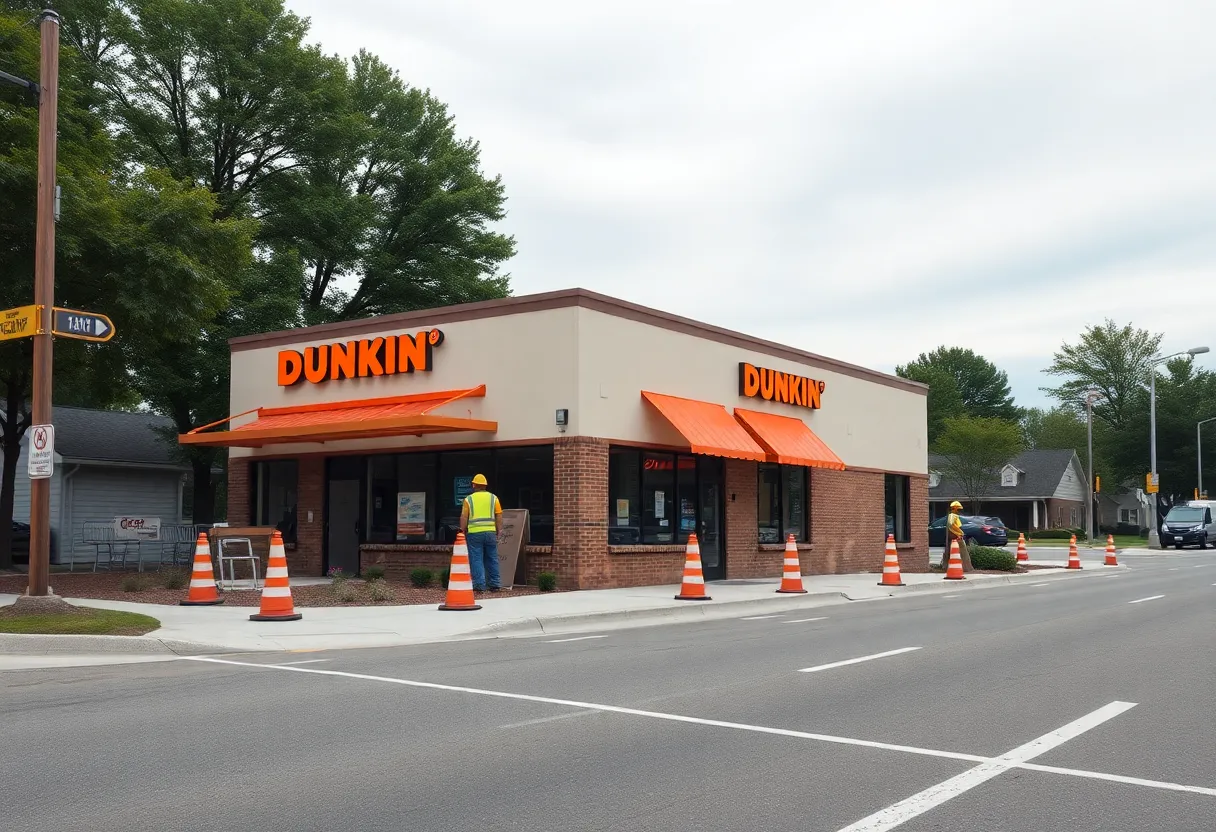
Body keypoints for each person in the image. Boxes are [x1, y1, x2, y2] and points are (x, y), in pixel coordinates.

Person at [460, 473, 503, 591]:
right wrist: (499, 530)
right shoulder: (494, 498)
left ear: (474, 485)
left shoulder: (468, 499)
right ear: (485, 485)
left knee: (476, 559)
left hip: (474, 534)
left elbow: (464, 517)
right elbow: (499, 515)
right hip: (490, 533)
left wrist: (462, 531)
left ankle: (479, 585)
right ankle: (494, 584)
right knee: (492, 558)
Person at [945, 500, 966, 568]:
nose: (959, 511)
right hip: (955, 536)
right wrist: (959, 533)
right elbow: (952, 525)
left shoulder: (953, 516)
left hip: (955, 535)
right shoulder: (953, 516)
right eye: (958, 509)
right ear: (955, 508)